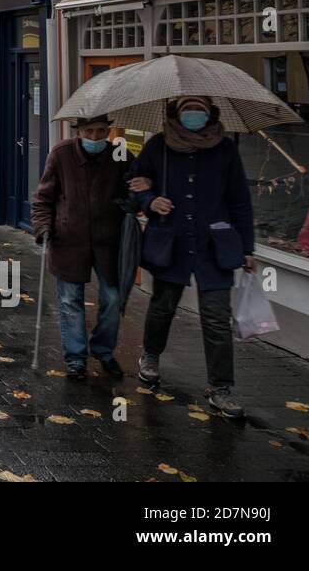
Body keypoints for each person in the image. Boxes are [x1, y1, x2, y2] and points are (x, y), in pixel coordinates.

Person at [128, 95, 254, 418]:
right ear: (176, 114)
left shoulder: (225, 149)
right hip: (172, 241)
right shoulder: (158, 145)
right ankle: (151, 355)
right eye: (187, 110)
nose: (193, 115)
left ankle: (222, 388)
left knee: (215, 317)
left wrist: (247, 248)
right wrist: (151, 201)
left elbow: (240, 200)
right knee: (163, 305)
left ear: (210, 114)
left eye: (199, 110)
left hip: (215, 244)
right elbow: (136, 185)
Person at [31, 115, 132, 380]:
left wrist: (139, 194)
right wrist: (43, 228)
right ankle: (76, 358)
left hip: (109, 241)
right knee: (69, 300)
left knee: (112, 299)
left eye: (101, 132)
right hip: (69, 239)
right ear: (78, 131)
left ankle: (103, 350)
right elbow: (43, 198)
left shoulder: (120, 154)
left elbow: (134, 188)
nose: (96, 138)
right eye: (90, 132)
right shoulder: (61, 154)